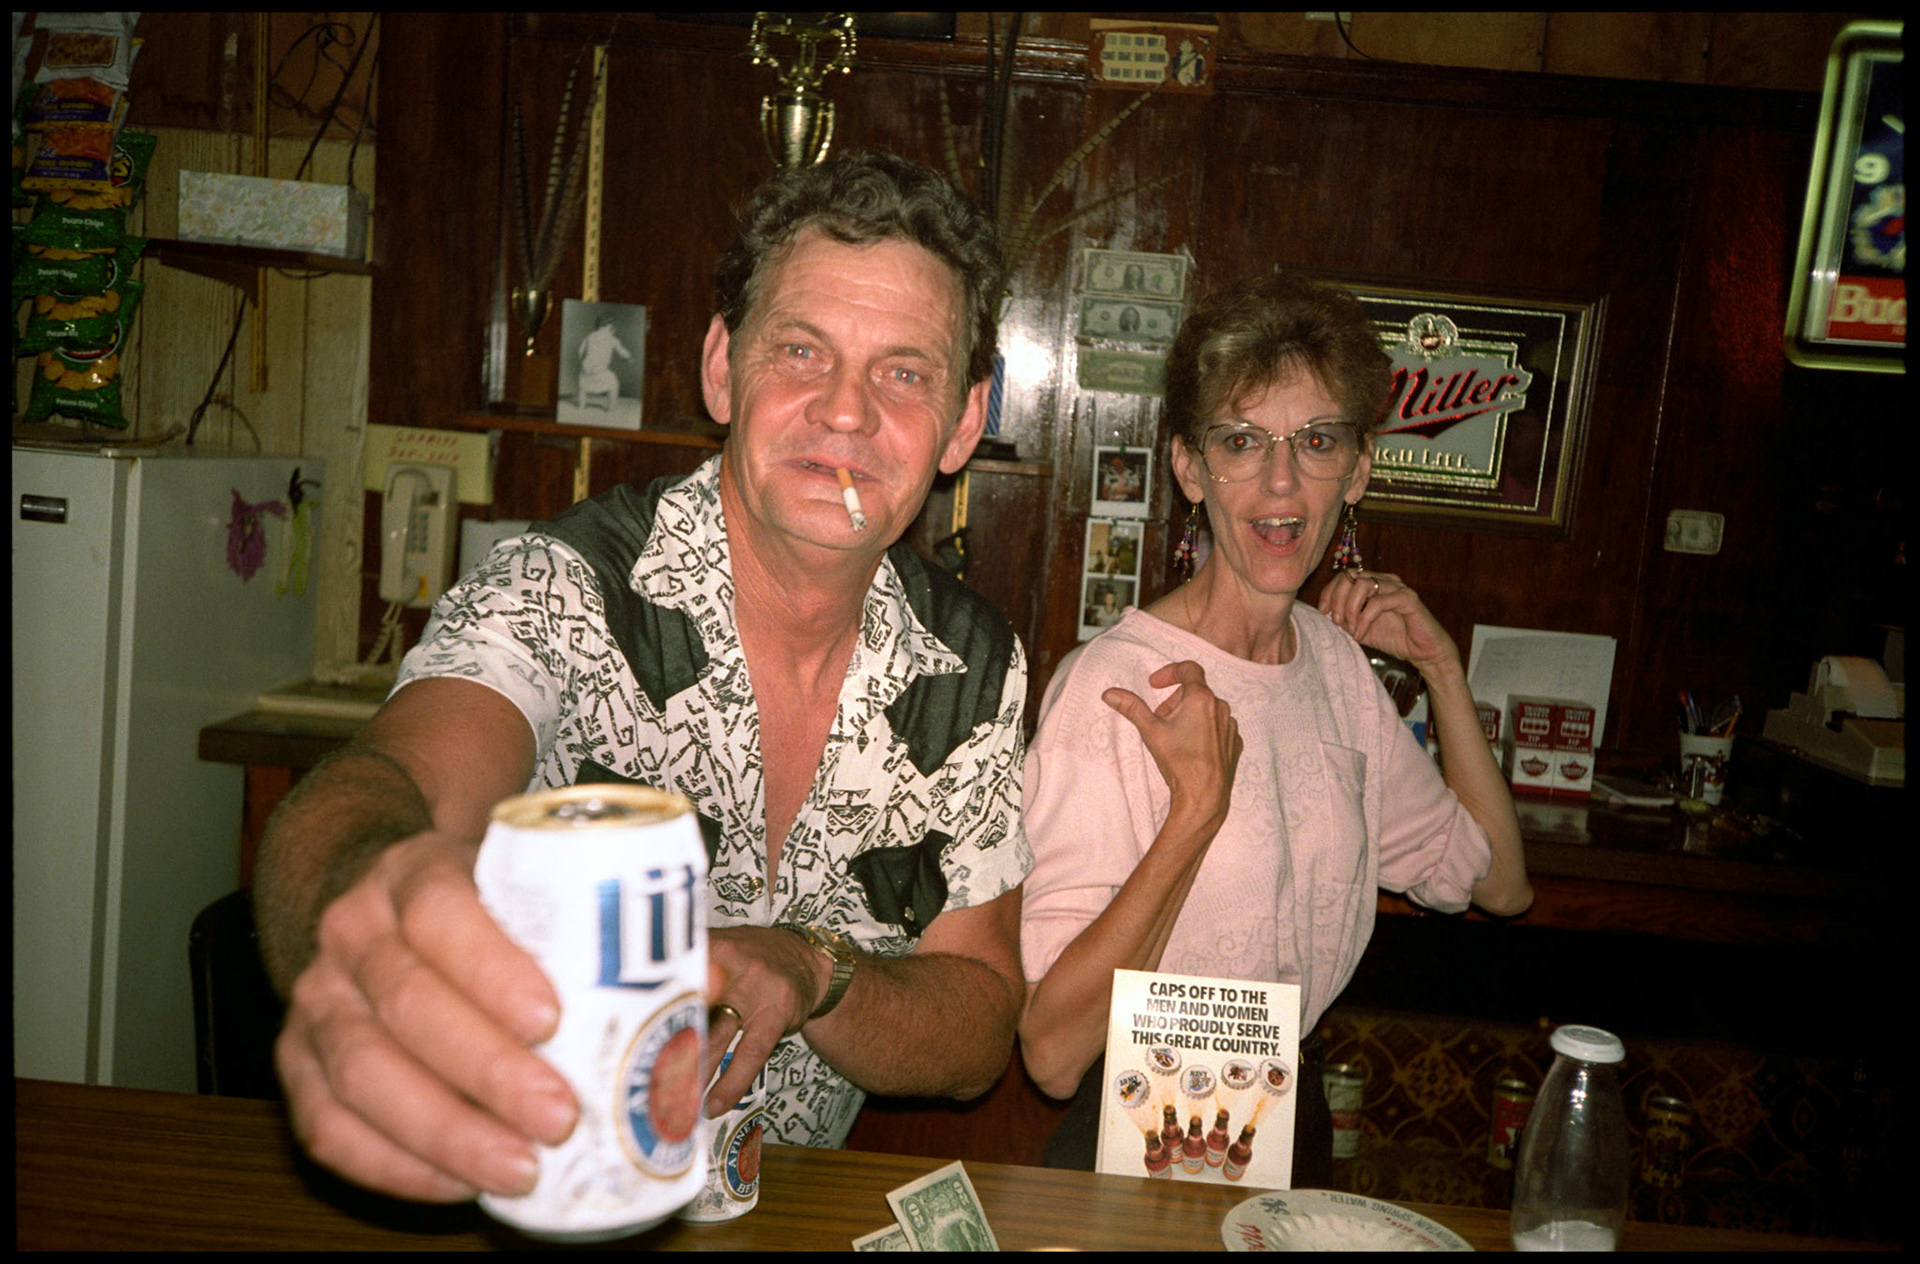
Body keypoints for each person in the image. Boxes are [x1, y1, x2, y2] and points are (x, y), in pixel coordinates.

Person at [252, 149, 1032, 1204]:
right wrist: (358, 892)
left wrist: (815, 969)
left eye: (903, 371)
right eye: (800, 350)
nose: (845, 412)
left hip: (779, 1214)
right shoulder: (562, 587)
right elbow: (388, 783)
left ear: (963, 423)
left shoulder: (977, 670)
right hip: (531, 1191)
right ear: (722, 366)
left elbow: (979, 1019)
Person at [1017, 271, 1532, 1185]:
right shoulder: (1111, 687)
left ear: (1360, 468)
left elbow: (1497, 883)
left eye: (1317, 441)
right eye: (1243, 442)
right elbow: (1053, 1051)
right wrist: (1194, 815)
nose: (1282, 481)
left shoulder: (1337, 670)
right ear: (1188, 467)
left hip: (1289, 1138)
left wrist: (1442, 672)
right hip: (1138, 1151)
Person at [574, 309, 631, 410]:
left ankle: (581, 406)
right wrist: (629, 357)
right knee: (613, 385)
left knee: (583, 387)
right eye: (613, 328)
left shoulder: (590, 336)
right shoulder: (612, 339)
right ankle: (611, 408)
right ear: (610, 326)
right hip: (599, 369)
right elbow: (622, 352)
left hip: (586, 368)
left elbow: (580, 350)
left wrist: (582, 361)